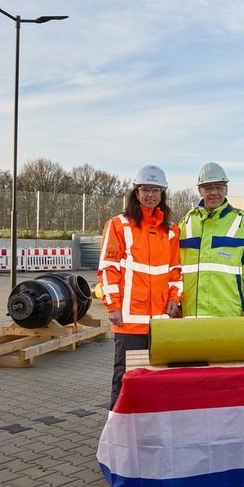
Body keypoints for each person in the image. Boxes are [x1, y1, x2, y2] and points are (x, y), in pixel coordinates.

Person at [98, 164, 182, 409]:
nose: (150, 195)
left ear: (162, 194)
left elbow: (175, 270)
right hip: (129, 321)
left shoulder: (171, 230)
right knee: (125, 377)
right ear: (135, 192)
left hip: (160, 321)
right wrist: (112, 306)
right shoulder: (118, 225)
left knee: (157, 377)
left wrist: (175, 298)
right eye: (145, 189)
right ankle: (119, 426)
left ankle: (151, 425)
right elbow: (108, 269)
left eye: (156, 190)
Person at [179, 162, 244, 317]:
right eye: (208, 187)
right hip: (191, 316)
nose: (214, 192)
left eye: (219, 187)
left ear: (226, 189)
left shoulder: (241, 223)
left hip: (230, 316)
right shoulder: (186, 223)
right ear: (200, 190)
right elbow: (175, 270)